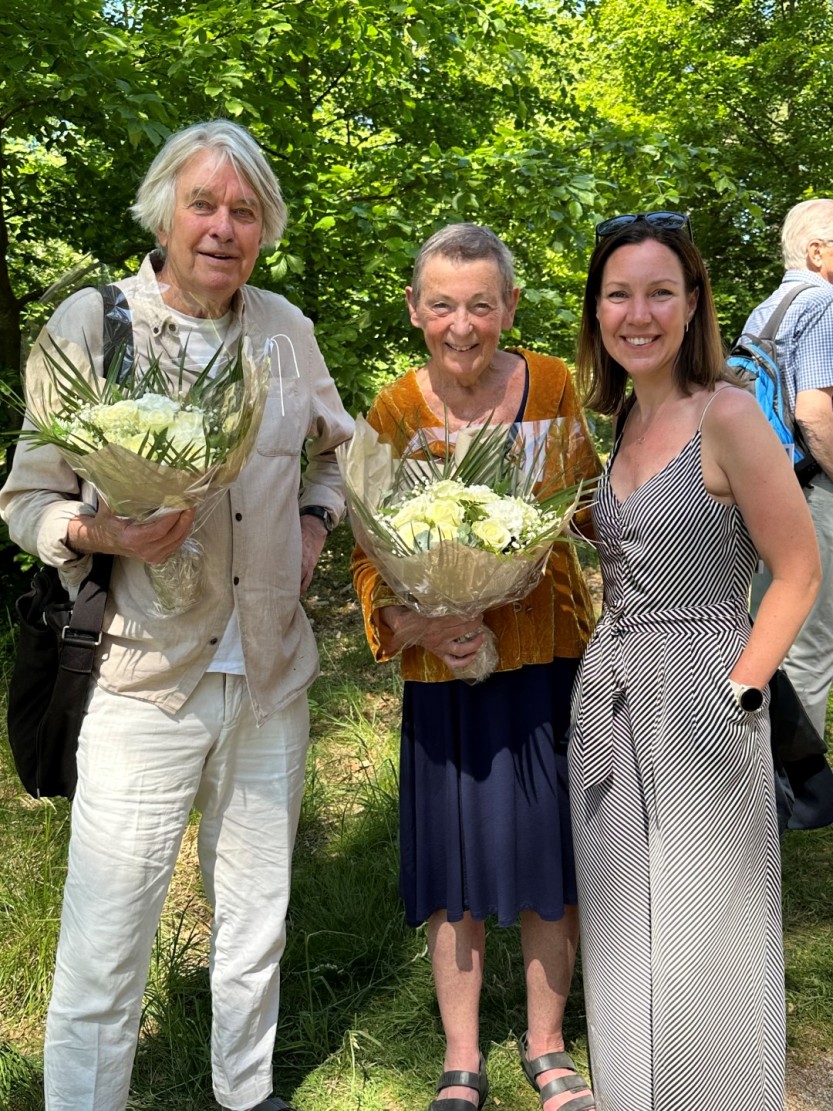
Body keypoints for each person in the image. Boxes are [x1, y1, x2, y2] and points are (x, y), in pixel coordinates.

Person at [0, 119, 354, 1111]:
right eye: (203, 203)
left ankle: (245, 1091)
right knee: (108, 934)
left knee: (255, 918)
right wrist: (102, 535)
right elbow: (25, 498)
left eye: (244, 211)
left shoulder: (284, 329)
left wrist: (319, 524)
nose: (222, 226)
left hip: (271, 675)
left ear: (265, 228)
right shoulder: (95, 323)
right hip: (141, 673)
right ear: (165, 208)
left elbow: (337, 449)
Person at [570, 211, 821, 1110]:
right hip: (608, 706)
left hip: (704, 700)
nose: (637, 312)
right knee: (622, 931)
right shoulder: (623, 420)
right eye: (618, 294)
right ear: (597, 311)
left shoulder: (728, 413)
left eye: (658, 293)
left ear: (691, 305)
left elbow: (796, 569)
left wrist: (742, 689)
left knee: (704, 938)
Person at [352, 223, 600, 1111]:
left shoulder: (551, 384)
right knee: (450, 869)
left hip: (543, 659)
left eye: (481, 305)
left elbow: (580, 505)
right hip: (441, 675)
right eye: (444, 304)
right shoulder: (391, 411)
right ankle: (461, 1057)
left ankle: (545, 1043)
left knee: (548, 857)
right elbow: (368, 550)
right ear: (416, 309)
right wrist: (421, 620)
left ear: (509, 308)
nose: (463, 325)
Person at [743, 198, 833, 740]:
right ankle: (799, 792)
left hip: (759, 490)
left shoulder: (769, 308)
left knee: (767, 634)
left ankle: (750, 772)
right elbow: (814, 411)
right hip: (809, 490)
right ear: (818, 250)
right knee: (812, 642)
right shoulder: (825, 301)